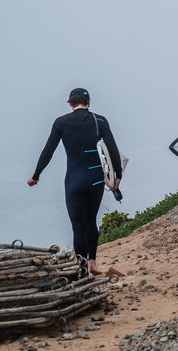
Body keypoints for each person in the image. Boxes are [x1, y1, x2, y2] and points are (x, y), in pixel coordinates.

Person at [29, 88, 122, 275]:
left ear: (70, 103)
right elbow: (112, 149)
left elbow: (48, 151)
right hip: (95, 180)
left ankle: (82, 269)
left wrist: (36, 175)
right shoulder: (100, 121)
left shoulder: (61, 122)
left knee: (78, 226)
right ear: (88, 102)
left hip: (74, 181)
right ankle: (93, 262)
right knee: (90, 221)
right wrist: (117, 175)